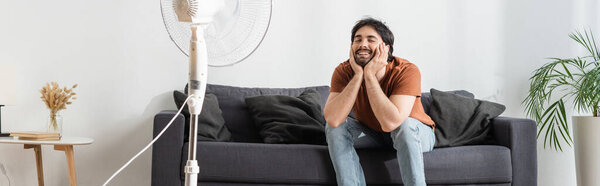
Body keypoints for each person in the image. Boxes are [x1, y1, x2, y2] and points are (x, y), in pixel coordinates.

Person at [323, 17, 436, 186]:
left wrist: (369, 75)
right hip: (373, 133)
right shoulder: (344, 71)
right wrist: (358, 76)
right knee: (335, 128)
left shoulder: (406, 70)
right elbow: (333, 119)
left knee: (404, 126)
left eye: (371, 39)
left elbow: (392, 122)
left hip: (415, 133)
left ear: (386, 48)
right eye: (357, 39)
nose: (362, 44)